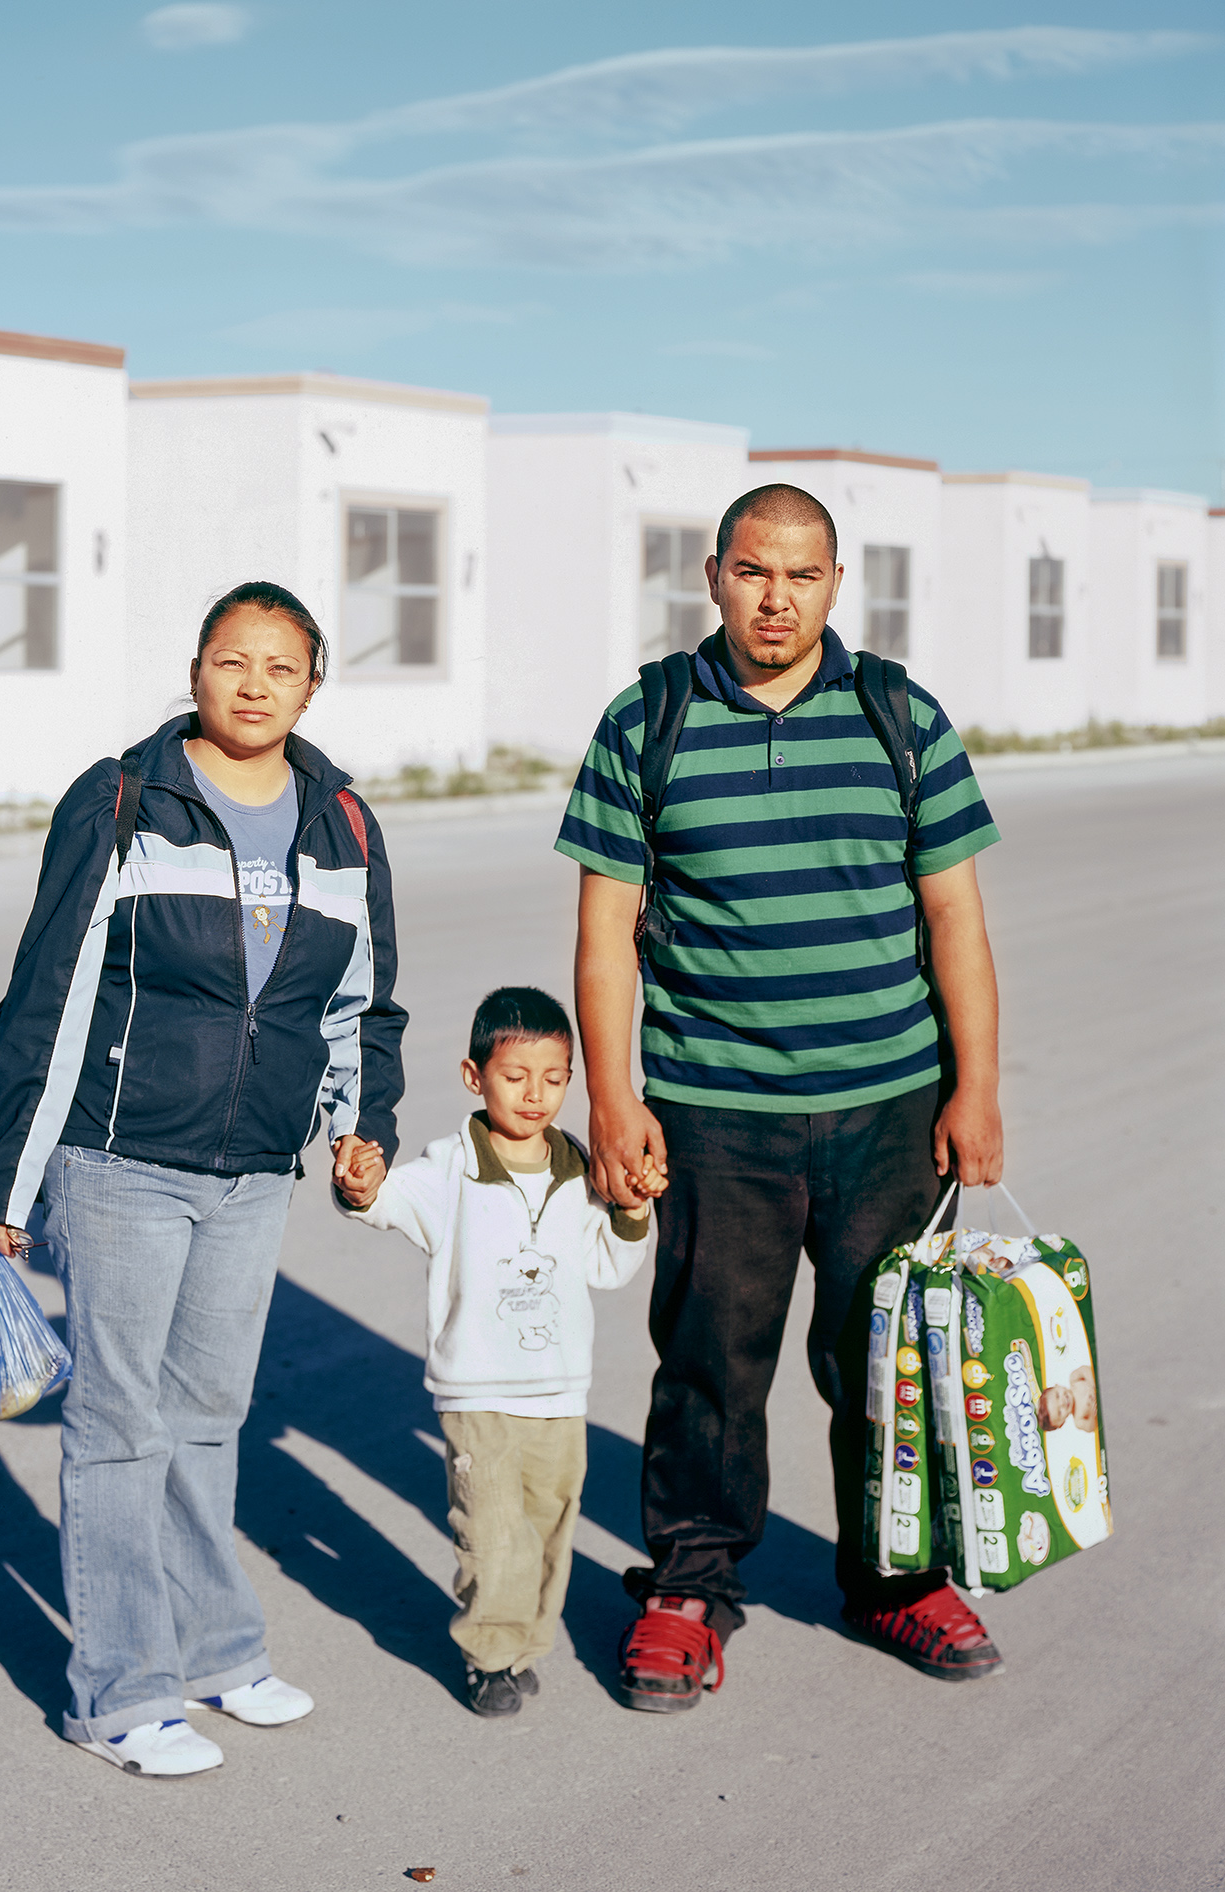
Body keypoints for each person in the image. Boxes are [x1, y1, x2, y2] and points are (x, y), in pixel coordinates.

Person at [557, 484, 1007, 1710]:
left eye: (801, 576)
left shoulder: (897, 713)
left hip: (891, 1113)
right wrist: (613, 1099)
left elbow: (954, 914)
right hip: (715, 1110)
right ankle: (692, 1585)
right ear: (714, 574)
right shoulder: (647, 718)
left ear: (835, 584)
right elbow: (605, 934)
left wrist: (977, 1087)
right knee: (709, 1363)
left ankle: (897, 1576)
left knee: (891, 1364)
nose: (776, 597)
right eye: (754, 571)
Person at [0, 580, 406, 1776]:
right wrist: (4, 1185)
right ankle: (118, 1693)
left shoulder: (343, 822)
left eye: (280, 665)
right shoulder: (123, 800)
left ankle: (217, 1649)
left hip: (253, 1167)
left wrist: (363, 1130)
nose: (252, 683)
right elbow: (49, 999)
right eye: (229, 659)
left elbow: (361, 1003)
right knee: (118, 1422)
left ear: (315, 683)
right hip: (121, 1159)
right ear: (195, 670)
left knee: (210, 1416)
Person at [335, 988, 662, 1715]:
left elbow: (609, 1267)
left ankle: (524, 1643)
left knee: (548, 1530)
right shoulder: (448, 1167)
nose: (535, 1094)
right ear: (473, 1075)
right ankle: (488, 1655)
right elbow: (386, 1204)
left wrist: (635, 1210)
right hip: (478, 1395)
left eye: (554, 1077)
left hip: (560, 1393)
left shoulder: (580, 1171)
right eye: (516, 1076)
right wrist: (362, 1185)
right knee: (489, 1534)